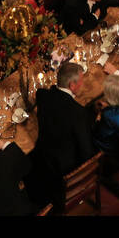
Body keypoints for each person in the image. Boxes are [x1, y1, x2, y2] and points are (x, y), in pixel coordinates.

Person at [32, 62, 96, 196]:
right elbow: (86, 152)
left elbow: (40, 92)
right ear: (72, 85)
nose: (82, 84)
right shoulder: (78, 113)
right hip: (62, 169)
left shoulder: (43, 96)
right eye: (80, 81)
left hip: (41, 158)